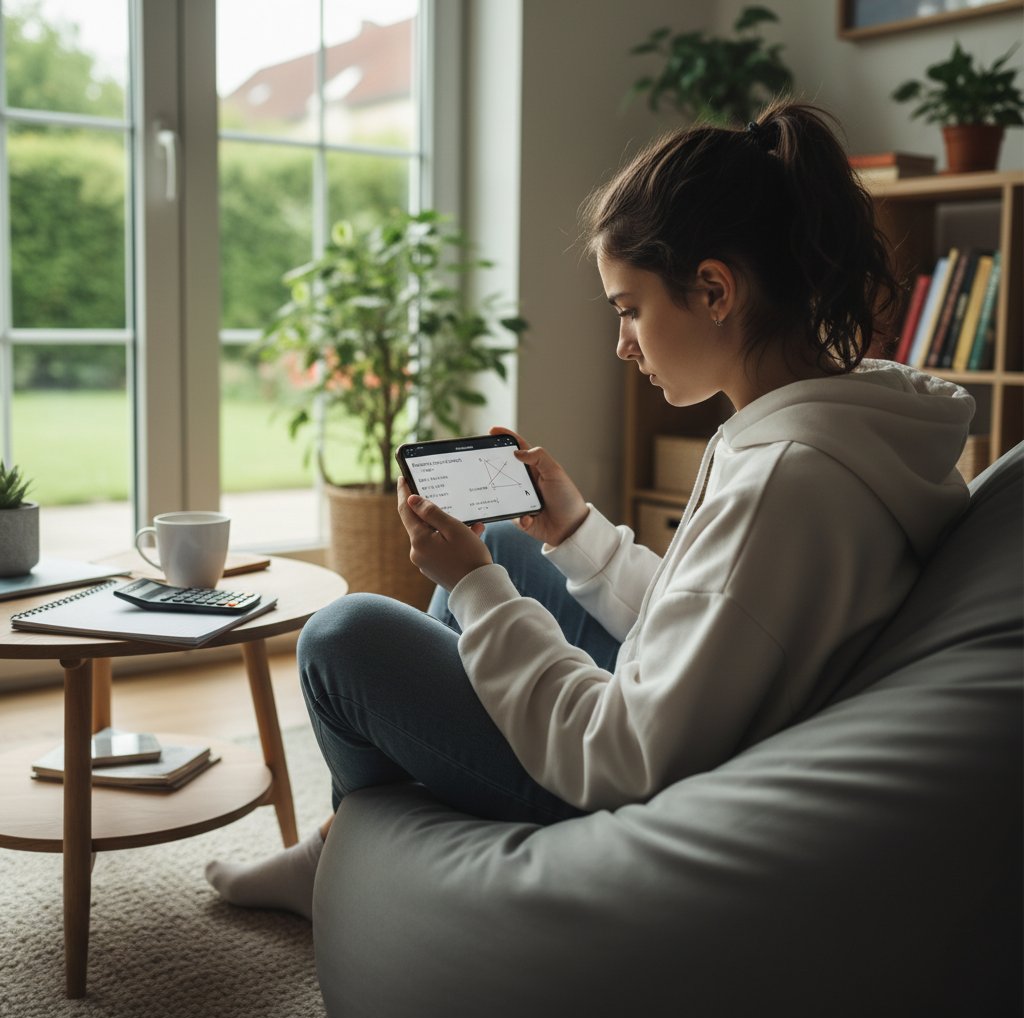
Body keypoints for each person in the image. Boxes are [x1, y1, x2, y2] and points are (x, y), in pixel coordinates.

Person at [205, 100, 975, 919]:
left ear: (715, 290)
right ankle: (347, 842)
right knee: (511, 543)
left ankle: (348, 864)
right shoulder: (838, 426)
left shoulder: (784, 481)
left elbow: (620, 754)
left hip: (620, 787)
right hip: (688, 724)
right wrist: (575, 531)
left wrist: (475, 589)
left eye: (629, 308)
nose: (622, 343)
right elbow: (716, 620)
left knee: (343, 636)